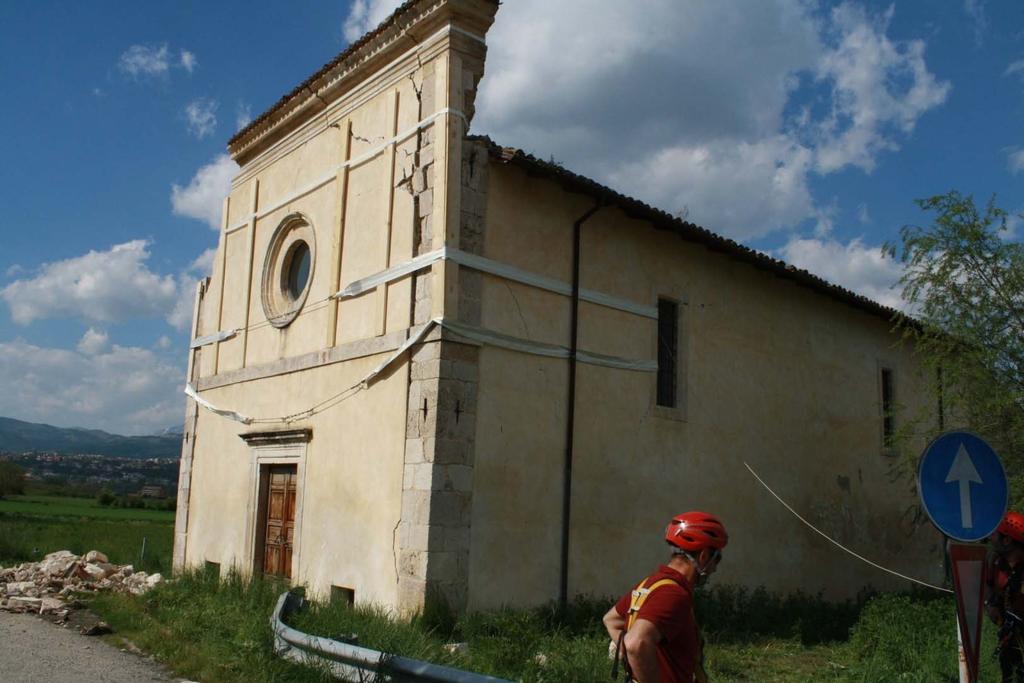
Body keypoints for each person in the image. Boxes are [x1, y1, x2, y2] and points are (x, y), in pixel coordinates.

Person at [603, 511, 728, 683]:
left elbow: (612, 620)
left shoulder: (651, 583)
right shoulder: (673, 594)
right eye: (717, 559)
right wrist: (635, 655)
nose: (715, 568)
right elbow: (636, 643)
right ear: (704, 556)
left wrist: (634, 661)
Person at [988, 510, 1024, 682]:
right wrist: (992, 603)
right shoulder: (997, 562)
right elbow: (991, 588)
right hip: (1008, 639)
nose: (991, 537)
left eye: (996, 534)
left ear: (1008, 540)